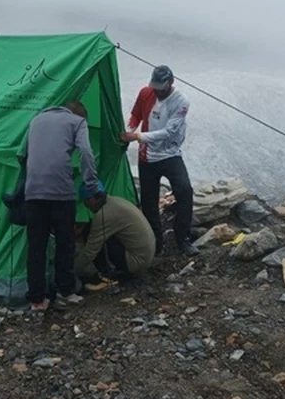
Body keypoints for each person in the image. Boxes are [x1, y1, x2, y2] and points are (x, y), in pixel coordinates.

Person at [21, 101, 101, 311]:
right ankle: (66, 292)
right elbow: (86, 152)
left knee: (36, 246)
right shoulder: (78, 122)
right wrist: (92, 184)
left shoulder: (36, 120)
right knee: (65, 243)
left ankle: (37, 300)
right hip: (60, 192)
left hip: (33, 192)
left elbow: (23, 153)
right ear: (80, 114)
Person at [121, 65, 198, 256]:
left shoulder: (181, 102)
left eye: (160, 88)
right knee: (148, 201)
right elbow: (136, 116)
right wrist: (128, 132)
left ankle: (183, 238)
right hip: (147, 156)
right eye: (154, 86)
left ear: (170, 83)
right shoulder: (146, 93)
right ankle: (155, 241)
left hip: (170, 154)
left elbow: (168, 132)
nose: (157, 91)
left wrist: (137, 137)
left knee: (184, 190)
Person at [74, 184, 156, 283]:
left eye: (85, 202)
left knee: (95, 235)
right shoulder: (115, 201)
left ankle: (105, 273)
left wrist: (72, 270)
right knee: (93, 229)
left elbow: (91, 251)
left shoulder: (103, 215)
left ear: (91, 199)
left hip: (136, 263)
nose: (86, 207)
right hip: (146, 256)